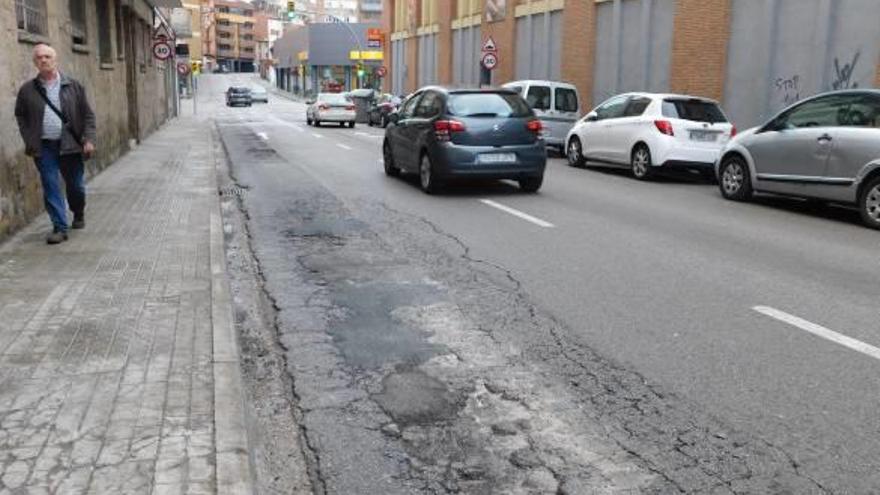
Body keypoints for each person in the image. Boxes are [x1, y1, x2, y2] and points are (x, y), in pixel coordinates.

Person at [14, 43, 96, 244]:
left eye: (47, 57)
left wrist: (89, 139)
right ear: (35, 62)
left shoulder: (73, 86)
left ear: (55, 60)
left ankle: (78, 212)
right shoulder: (27, 90)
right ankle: (59, 227)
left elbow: (87, 116)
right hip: (44, 147)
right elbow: (21, 116)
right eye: (39, 57)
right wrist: (29, 139)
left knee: (75, 186)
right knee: (50, 185)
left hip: (70, 145)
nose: (43, 60)